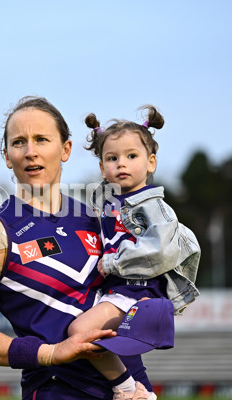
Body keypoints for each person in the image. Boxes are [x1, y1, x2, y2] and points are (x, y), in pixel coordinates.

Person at [0, 96, 154, 400]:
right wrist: (50, 353)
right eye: (19, 142)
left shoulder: (98, 218)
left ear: (65, 149)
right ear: (7, 156)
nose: (31, 152)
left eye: (41, 139)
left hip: (134, 387)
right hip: (57, 389)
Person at [67, 105, 201, 398]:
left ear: (150, 162)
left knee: (79, 332)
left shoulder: (153, 207)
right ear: (102, 168)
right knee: (109, 343)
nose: (121, 164)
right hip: (116, 293)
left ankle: (126, 389)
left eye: (131, 156)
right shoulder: (108, 204)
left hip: (138, 293)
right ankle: (145, 393)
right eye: (112, 158)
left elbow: (161, 250)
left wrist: (114, 263)